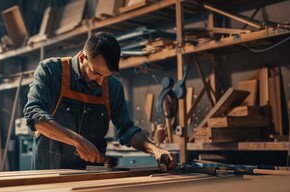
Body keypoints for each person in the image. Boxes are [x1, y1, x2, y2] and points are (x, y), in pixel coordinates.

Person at [23, 32, 176, 170]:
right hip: (48, 174)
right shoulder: (51, 71)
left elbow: (126, 130)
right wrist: (77, 140)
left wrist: (155, 149)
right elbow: (34, 116)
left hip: (91, 178)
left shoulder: (113, 86)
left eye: (107, 75)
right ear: (82, 58)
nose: (101, 82)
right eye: (96, 74)